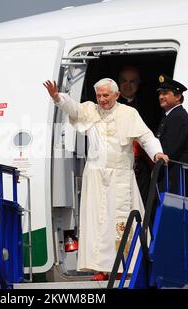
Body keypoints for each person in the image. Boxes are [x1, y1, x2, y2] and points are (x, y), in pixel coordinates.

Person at [43, 78, 169, 280]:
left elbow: (146, 137)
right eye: (99, 95)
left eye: (106, 95)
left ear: (116, 95)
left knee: (120, 222)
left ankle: (127, 267)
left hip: (120, 177)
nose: (101, 100)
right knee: (97, 224)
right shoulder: (90, 110)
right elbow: (73, 109)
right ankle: (103, 269)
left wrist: (157, 154)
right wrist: (57, 97)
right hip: (95, 177)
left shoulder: (129, 114)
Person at [118, 66, 155, 207]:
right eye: (124, 81)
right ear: (118, 83)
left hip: (143, 164)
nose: (128, 85)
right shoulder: (110, 105)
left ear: (138, 83)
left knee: (143, 202)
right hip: (121, 163)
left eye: (132, 81)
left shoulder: (149, 105)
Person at [155, 74, 188, 196]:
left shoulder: (178, 117)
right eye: (160, 93)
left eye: (165, 93)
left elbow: (169, 151)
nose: (161, 96)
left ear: (177, 96)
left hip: (174, 180)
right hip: (170, 178)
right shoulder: (170, 115)